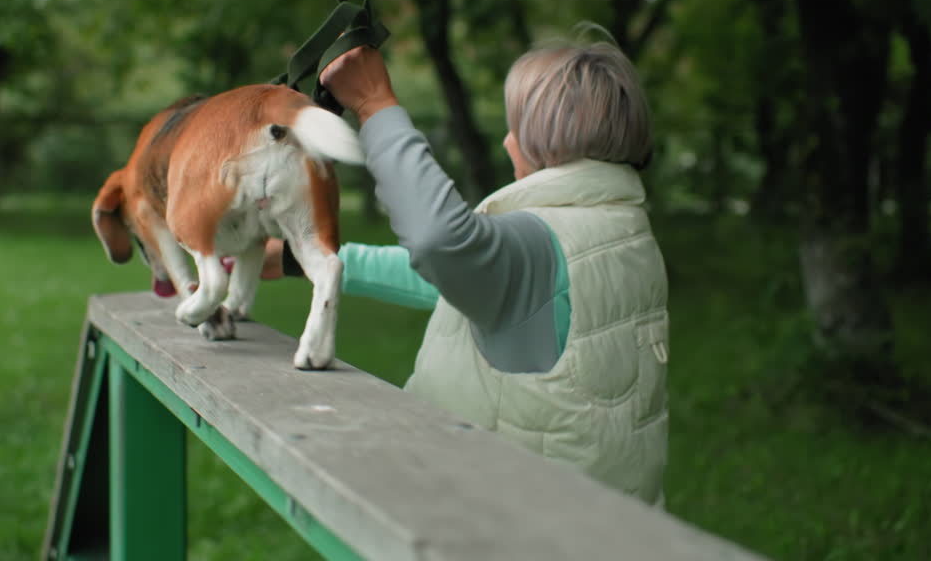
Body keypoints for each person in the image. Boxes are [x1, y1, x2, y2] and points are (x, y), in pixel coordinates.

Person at [265, 35, 669, 505]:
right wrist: (307, 260)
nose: (506, 140)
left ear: (548, 140)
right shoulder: (619, 231)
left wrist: (376, 105)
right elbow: (464, 285)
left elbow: (439, 243)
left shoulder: (540, 245)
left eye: (514, 127)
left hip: (509, 529)